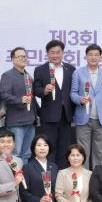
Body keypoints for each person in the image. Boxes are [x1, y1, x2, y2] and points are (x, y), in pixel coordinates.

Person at [33, 40, 75, 168]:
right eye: (52, 53)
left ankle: (61, 174)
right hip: (49, 115)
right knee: (49, 147)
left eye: (58, 52)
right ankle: (49, 174)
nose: (55, 55)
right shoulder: (40, 70)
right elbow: (36, 90)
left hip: (66, 115)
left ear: (63, 53)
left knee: (64, 148)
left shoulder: (70, 69)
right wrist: (44, 90)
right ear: (47, 54)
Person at [70, 44, 102, 170]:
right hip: (83, 118)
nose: (93, 57)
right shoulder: (78, 73)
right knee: (83, 152)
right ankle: (83, 178)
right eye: (90, 54)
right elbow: (73, 93)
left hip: (101, 119)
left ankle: (97, 177)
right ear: (86, 56)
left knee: (100, 152)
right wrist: (80, 99)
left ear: (100, 57)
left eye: (96, 55)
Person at [0, 47, 37, 163]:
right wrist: (20, 99)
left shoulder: (28, 76)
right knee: (15, 153)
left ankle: (23, 175)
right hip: (16, 122)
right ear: (13, 59)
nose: (23, 58)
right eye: (19, 56)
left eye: (24, 56)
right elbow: (4, 95)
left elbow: (32, 98)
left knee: (26, 154)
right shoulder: (7, 75)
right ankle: (13, 175)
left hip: (30, 121)